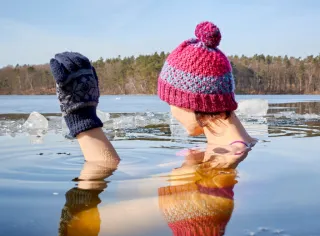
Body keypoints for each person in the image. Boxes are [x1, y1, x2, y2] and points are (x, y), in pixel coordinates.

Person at [49, 21, 255, 163]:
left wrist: (84, 123)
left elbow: (107, 218)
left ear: (190, 102)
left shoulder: (225, 157)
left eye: (170, 102)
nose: (172, 113)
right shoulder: (234, 147)